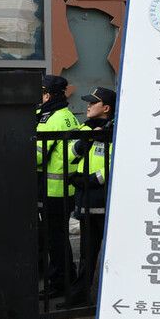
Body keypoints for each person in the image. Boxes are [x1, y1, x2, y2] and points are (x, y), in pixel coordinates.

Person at [61, 87, 116, 307]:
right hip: (85, 202)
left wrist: (92, 180)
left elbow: (113, 163)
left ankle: (112, 298)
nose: (88, 106)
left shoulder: (115, 131)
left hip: (105, 202)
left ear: (106, 108)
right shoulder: (84, 128)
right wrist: (84, 143)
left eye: (93, 103)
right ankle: (79, 298)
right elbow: (66, 156)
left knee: (114, 255)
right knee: (86, 254)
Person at [36, 75, 80, 297]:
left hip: (52, 189)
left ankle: (59, 282)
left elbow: (36, 156)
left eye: (41, 92)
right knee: (59, 236)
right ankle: (67, 277)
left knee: (55, 238)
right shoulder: (68, 115)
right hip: (66, 187)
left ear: (48, 95)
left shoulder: (51, 119)